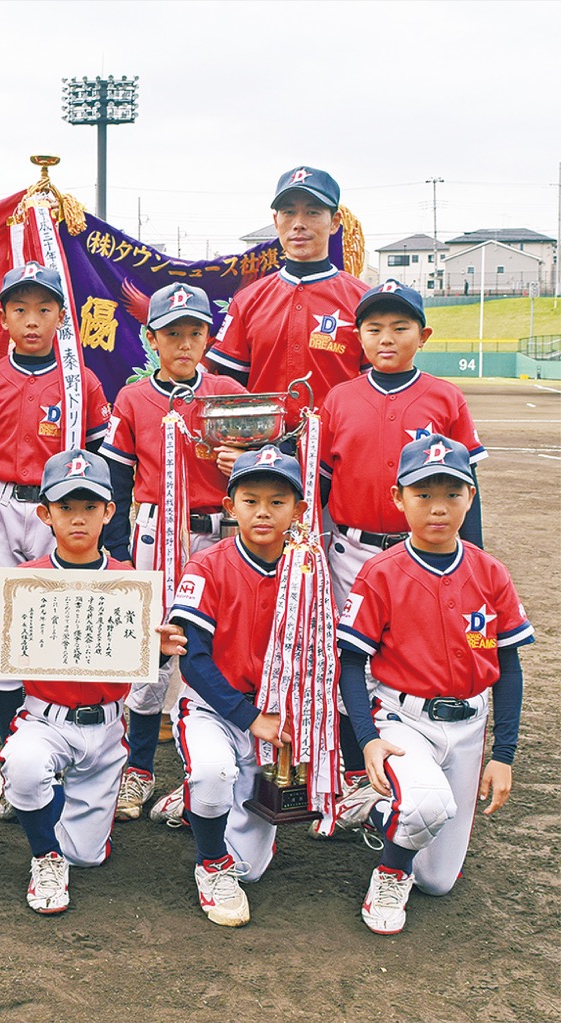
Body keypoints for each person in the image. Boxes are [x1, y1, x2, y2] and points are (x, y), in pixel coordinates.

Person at [337, 435, 532, 935]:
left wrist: (503, 753)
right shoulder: (380, 573)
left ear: (471, 497)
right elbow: (351, 663)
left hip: (470, 722)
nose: (438, 507)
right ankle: (389, 872)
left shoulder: (491, 573)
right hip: (403, 718)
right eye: (423, 494)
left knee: (439, 881)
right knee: (427, 806)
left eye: (452, 493)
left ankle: (384, 810)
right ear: (398, 499)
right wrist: (368, 740)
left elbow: (508, 668)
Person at [314, 281, 487, 837]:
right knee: (348, 656)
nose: (386, 338)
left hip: (425, 553)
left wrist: (473, 560)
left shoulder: (445, 397)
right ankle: (351, 776)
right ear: (357, 336)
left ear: (423, 335)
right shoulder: (338, 398)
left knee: (408, 652)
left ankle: (408, 757)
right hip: (350, 549)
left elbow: (467, 486)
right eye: (373, 328)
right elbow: (320, 483)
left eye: (400, 327)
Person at [101, 283, 247, 822]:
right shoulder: (134, 397)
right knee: (150, 652)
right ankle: (137, 770)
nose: (184, 343)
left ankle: (200, 773)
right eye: (172, 333)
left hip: (219, 532)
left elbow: (267, 467)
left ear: (208, 337)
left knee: (215, 647)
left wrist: (246, 461)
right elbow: (116, 479)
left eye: (194, 332)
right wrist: (114, 550)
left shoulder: (228, 390)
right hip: (156, 530)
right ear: (151, 338)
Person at [0, 262, 111, 816]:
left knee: (64, 625)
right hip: (2, 503)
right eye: (20, 309)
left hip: (65, 507)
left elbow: (105, 455)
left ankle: (65, 751)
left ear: (61, 315)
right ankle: (14, 759)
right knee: (7, 634)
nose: (33, 320)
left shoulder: (82, 380)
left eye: (44, 309)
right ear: (3, 317)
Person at [0, 450, 129, 914]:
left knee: (88, 857)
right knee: (22, 764)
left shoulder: (130, 582)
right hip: (45, 718)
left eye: (89, 507)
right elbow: (1, 657)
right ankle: (44, 855)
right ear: (45, 514)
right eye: (65, 508)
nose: (77, 519)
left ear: (109, 512)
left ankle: (57, 803)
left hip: (105, 726)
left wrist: (160, 648)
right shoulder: (22, 581)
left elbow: (144, 661)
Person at [166, 446, 308, 927]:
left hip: (272, 714)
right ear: (230, 507)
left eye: (277, 501)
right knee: (212, 775)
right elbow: (195, 664)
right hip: (213, 708)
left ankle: (195, 806)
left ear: (300, 510)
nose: (263, 512)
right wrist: (251, 719)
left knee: (253, 868)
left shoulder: (307, 570)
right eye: (250, 500)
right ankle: (211, 864)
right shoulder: (208, 565)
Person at [206, 166, 368, 416]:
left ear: (335, 222)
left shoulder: (362, 300)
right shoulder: (249, 299)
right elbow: (230, 384)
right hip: (262, 449)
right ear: (275, 221)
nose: (299, 224)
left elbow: (377, 386)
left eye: (312, 212)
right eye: (289, 212)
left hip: (337, 447)